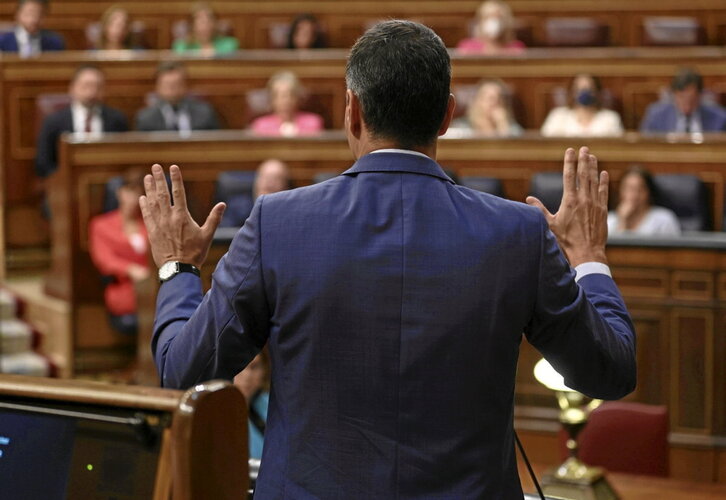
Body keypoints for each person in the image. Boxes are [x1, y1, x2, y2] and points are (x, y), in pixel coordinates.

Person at [141, 20, 635, 499]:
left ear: (351, 110)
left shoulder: (279, 224)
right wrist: (589, 257)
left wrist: (178, 268)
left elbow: (183, 375)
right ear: (446, 115)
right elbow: (608, 372)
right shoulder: (517, 232)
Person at [35, 65, 129, 178]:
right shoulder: (53, 121)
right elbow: (43, 163)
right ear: (72, 88)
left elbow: (124, 158)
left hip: (107, 181)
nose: (92, 91)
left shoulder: (116, 119)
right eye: (86, 85)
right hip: (66, 182)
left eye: (97, 86)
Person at [89, 169, 150, 335]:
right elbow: (104, 259)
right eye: (130, 191)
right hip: (125, 288)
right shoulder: (101, 225)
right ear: (119, 193)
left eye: (139, 193)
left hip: (155, 287)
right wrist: (131, 269)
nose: (134, 198)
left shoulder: (151, 223)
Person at [135, 61, 220, 133]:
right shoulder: (146, 118)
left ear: (186, 85)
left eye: (176, 84)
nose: (172, 90)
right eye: (167, 85)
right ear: (157, 87)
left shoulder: (204, 113)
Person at [640, 68, 726, 134]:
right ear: (674, 94)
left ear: (700, 95)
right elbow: (644, 147)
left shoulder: (720, 118)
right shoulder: (656, 116)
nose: (687, 106)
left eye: (692, 100)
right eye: (681, 98)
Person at [541, 73, 624, 137]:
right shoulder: (558, 116)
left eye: (589, 89)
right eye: (580, 89)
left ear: (597, 92)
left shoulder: (610, 118)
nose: (584, 93)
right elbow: (545, 144)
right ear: (572, 92)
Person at [608, 166, 681, 236]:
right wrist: (623, 221)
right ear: (620, 191)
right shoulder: (609, 220)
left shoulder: (664, 220)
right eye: (629, 189)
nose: (634, 194)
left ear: (649, 192)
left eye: (640, 189)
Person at [219, 159, 291, 228]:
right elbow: (224, 235)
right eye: (266, 177)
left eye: (276, 178)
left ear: (286, 186)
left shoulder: (290, 212)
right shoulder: (237, 208)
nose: (270, 183)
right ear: (256, 180)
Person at [250, 71, 324, 137]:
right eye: (280, 96)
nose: (286, 101)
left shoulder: (313, 123)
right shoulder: (261, 126)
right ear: (272, 99)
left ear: (297, 98)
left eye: (290, 95)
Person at [450, 78, 523, 136]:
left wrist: (502, 125)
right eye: (490, 98)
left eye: (498, 99)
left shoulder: (512, 129)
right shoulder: (460, 128)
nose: (494, 103)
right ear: (478, 101)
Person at [233, 351, 270, 459]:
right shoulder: (212, 412)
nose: (247, 376)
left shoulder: (269, 404)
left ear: (265, 370)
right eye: (240, 367)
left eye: (254, 367)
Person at [456, 0, 525, 55]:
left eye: (499, 18)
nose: (493, 22)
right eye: (488, 17)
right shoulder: (467, 47)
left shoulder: (516, 47)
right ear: (480, 21)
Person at [0, 0, 64, 56]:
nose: (34, 19)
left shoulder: (54, 42)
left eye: (39, 14)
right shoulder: (3, 41)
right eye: (30, 13)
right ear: (18, 14)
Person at [172, 2, 239, 56]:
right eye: (201, 22)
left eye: (209, 20)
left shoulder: (229, 44)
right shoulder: (182, 46)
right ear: (192, 24)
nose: (205, 26)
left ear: (215, 23)